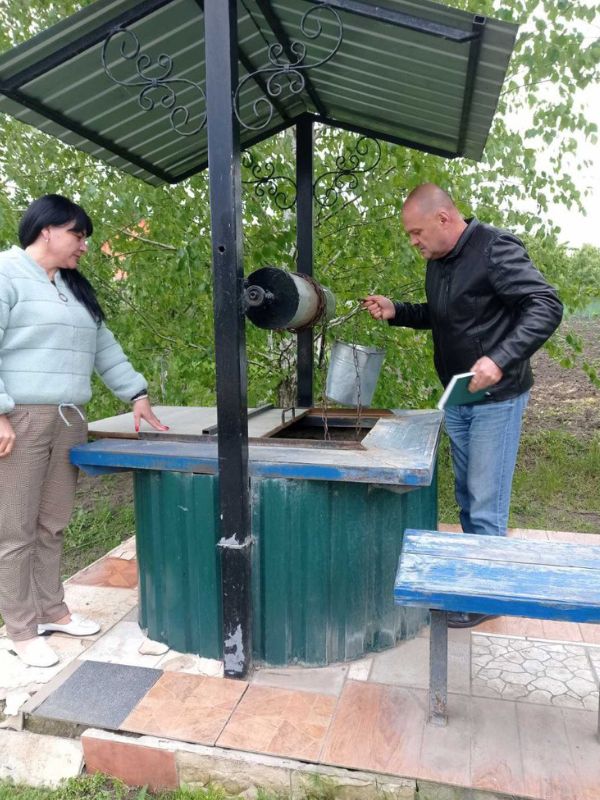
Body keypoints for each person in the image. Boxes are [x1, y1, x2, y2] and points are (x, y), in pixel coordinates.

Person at [364, 183, 563, 627]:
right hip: (460, 396)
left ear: (443, 218)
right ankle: (477, 582)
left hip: (497, 398)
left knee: (486, 500)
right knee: (467, 496)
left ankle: (486, 599)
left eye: (416, 232)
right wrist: (398, 310)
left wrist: (500, 359)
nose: (413, 242)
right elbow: (443, 315)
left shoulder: (494, 248)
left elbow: (546, 305)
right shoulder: (438, 261)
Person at [0, 194, 168, 667]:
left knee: (52, 522)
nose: (84, 245)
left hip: (70, 419)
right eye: (78, 234)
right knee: (16, 529)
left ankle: (52, 610)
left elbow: (103, 346)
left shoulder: (71, 286)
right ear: (47, 230)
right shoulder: (6, 274)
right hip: (21, 419)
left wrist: (136, 393)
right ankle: (21, 628)